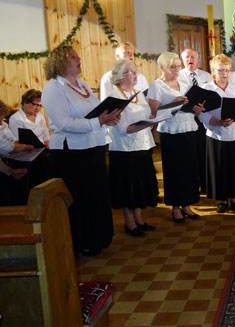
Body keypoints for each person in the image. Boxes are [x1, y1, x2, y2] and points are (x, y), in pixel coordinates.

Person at [41, 45, 121, 256]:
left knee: (97, 195)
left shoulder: (83, 85)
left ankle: (99, 237)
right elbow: (65, 123)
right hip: (71, 153)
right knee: (80, 198)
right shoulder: (53, 88)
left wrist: (108, 119)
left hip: (92, 148)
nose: (79, 59)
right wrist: (99, 122)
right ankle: (81, 240)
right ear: (61, 61)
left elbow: (96, 113)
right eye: (74, 57)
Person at [147, 52, 202, 223]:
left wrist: (197, 109)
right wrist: (174, 104)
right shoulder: (156, 86)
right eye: (173, 67)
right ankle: (176, 207)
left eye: (179, 66)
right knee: (174, 170)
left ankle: (187, 204)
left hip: (188, 127)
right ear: (162, 67)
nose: (177, 70)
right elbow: (152, 113)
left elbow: (191, 103)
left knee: (189, 169)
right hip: (171, 131)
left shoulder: (184, 81)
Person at [107, 59, 158, 236]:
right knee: (127, 187)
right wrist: (148, 123)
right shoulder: (115, 97)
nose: (135, 75)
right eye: (131, 72)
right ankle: (129, 222)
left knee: (140, 184)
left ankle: (139, 219)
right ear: (120, 76)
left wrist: (152, 119)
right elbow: (123, 129)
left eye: (135, 71)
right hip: (124, 149)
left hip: (143, 145)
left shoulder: (137, 92)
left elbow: (146, 115)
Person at [198, 54, 235, 213]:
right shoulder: (206, 89)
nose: (224, 74)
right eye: (220, 70)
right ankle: (222, 199)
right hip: (217, 134)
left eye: (227, 70)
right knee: (220, 167)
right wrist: (219, 122)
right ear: (213, 71)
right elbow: (202, 114)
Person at [178, 48, 212, 191]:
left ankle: (205, 183)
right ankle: (193, 183)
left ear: (198, 59)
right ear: (182, 60)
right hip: (186, 118)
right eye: (187, 57)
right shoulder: (178, 76)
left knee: (204, 150)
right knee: (190, 152)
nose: (190, 59)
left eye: (193, 57)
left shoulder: (207, 75)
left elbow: (211, 95)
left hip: (203, 117)